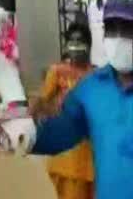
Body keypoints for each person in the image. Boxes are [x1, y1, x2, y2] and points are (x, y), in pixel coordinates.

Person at [27, 0, 133, 199]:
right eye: (111, 30)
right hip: (78, 171)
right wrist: (20, 133)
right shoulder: (91, 88)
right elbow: (61, 130)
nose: (118, 39)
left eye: (127, 30)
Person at [32, 22, 94, 199]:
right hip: (67, 158)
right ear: (66, 45)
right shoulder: (57, 72)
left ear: (89, 45)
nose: (76, 44)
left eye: (80, 40)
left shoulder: (96, 75)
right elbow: (42, 105)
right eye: (72, 40)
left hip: (92, 158)